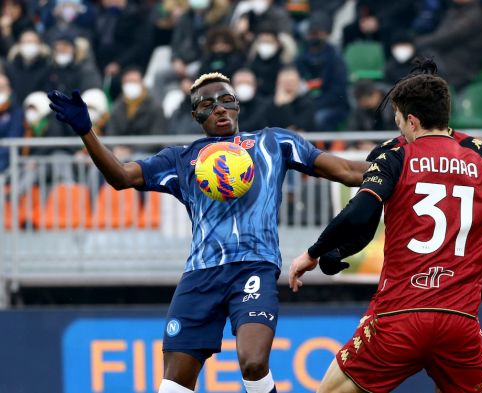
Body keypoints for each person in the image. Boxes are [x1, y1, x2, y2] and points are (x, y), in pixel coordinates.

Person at [47, 71, 367, 393]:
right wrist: (87, 131)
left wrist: (402, 160)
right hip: (201, 274)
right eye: (208, 105)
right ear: (196, 115)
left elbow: (347, 171)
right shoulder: (180, 158)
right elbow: (121, 177)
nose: (219, 109)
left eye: (227, 100)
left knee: (253, 363)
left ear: (238, 105)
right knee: (173, 384)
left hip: (254, 266)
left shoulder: (274, 142)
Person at [289, 60, 482, 393]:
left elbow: (362, 214)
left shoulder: (395, 155)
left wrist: (319, 251)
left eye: (399, 119)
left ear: (411, 119)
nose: (398, 126)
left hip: (398, 316)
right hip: (458, 321)